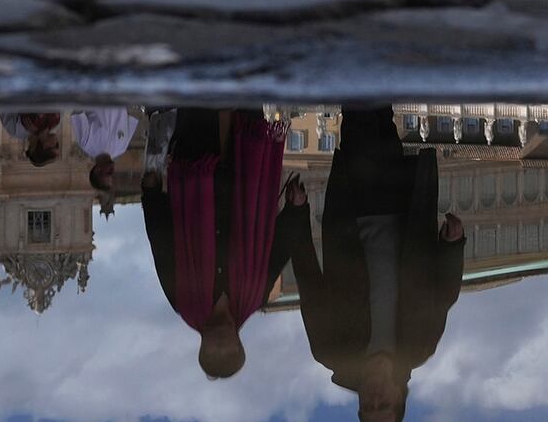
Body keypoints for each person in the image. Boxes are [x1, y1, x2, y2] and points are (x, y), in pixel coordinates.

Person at [276, 106, 465, 422]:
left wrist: (297, 214)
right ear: (398, 398)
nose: (375, 399)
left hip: (353, 209)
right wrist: (451, 246)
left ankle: (362, 70)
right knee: (381, 125)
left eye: (368, 408)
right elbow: (443, 295)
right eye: (385, 406)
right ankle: (372, 71)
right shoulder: (419, 348)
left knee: (360, 124)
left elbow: (309, 283)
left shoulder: (331, 350)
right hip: (405, 209)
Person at [141, 108, 292, 379]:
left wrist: (152, 194)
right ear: (239, 344)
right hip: (245, 174)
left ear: (202, 348)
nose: (221, 347)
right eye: (229, 353)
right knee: (245, 104)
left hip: (196, 171)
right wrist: (295, 210)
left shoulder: (183, 302)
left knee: (201, 106)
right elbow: (277, 252)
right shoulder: (255, 297)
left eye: (213, 354)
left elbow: (162, 244)